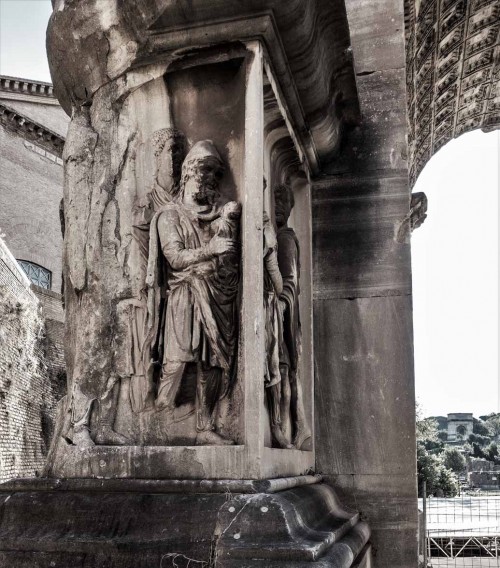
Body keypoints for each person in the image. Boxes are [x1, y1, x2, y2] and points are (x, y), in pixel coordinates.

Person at [144, 140, 240, 445]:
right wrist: (209, 249)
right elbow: (174, 257)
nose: (208, 180)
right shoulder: (169, 215)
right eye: (202, 172)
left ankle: (205, 427)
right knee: (176, 360)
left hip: (216, 297)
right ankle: (159, 418)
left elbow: (228, 259)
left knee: (211, 363)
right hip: (184, 295)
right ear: (187, 174)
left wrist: (226, 223)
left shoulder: (218, 214)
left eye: (213, 175)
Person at [274, 184, 312, 450]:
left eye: (283, 202)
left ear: (289, 208)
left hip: (284, 314)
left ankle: (293, 427)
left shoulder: (285, 238)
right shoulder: (284, 236)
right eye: (275, 200)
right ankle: (297, 427)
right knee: (286, 371)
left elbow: (290, 282)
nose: (278, 205)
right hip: (285, 312)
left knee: (285, 370)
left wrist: (278, 305)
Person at [263, 213, 293, 449]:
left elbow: (279, 284)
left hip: (268, 310)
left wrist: (270, 252)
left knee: (278, 369)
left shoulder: (270, 239)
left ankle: (276, 426)